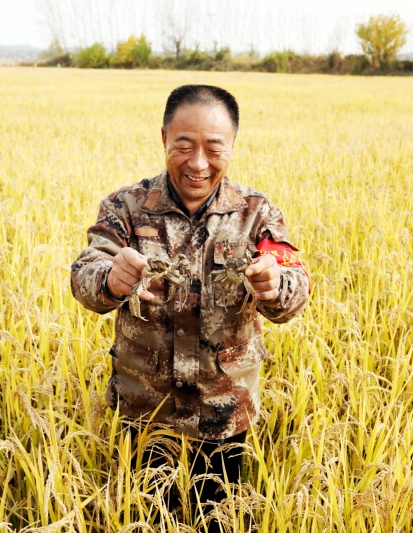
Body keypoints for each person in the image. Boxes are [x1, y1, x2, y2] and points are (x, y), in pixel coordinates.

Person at [70, 84, 310, 531]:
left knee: (217, 519)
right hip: (145, 411)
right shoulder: (125, 208)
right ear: (164, 139)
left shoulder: (258, 215)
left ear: (232, 147)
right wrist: (110, 279)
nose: (198, 163)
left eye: (213, 148)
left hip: (225, 414)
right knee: (144, 519)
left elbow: (295, 285)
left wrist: (276, 286)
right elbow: (86, 275)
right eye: (184, 145)